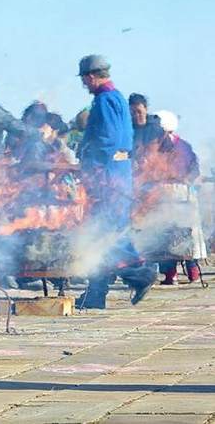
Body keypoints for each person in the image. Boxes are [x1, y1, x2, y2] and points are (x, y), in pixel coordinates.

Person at [75, 54, 157, 309]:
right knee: (102, 234)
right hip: (115, 173)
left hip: (107, 175)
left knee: (108, 234)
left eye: (84, 80)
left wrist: (88, 157)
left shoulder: (105, 100)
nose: (84, 85)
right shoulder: (117, 98)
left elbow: (108, 140)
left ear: (91, 77)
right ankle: (96, 294)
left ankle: (140, 273)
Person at [133, 110, 207, 284]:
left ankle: (193, 271)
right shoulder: (150, 146)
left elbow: (192, 170)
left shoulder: (183, 147)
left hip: (180, 193)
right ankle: (170, 274)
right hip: (159, 195)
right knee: (164, 236)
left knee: (186, 233)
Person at [129, 93, 164, 159]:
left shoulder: (156, 129)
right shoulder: (128, 130)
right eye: (133, 112)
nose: (136, 115)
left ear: (146, 109)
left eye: (139, 112)